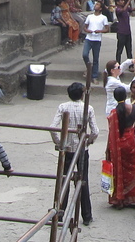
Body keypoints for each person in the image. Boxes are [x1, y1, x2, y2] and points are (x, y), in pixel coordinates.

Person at [50, 82, 99, 227]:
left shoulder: (63, 107)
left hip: (67, 149)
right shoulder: (88, 108)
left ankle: (59, 214)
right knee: (83, 181)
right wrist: (88, 141)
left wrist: (60, 143)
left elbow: (53, 128)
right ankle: (87, 216)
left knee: (64, 180)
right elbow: (95, 131)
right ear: (82, 94)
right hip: (81, 150)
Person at [106, 86, 135, 208]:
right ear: (125, 95)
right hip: (130, 141)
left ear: (115, 98)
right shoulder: (134, 108)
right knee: (133, 169)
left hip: (118, 144)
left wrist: (108, 149)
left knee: (120, 170)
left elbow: (111, 132)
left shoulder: (113, 113)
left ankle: (120, 198)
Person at [82, 1, 111, 83]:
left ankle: (94, 76)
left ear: (100, 8)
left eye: (97, 5)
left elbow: (107, 29)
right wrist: (88, 30)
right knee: (85, 54)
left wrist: (100, 31)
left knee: (96, 58)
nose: (95, 5)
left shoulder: (103, 18)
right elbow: (85, 27)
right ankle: (89, 67)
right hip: (89, 38)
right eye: (95, 4)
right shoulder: (90, 16)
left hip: (97, 40)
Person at [114, 0, 134, 64]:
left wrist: (134, 0)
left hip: (128, 31)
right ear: (117, 2)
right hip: (121, 32)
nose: (123, 2)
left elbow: (134, 9)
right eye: (121, 0)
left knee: (129, 49)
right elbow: (122, 10)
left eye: (123, 0)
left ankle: (130, 64)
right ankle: (117, 63)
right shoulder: (118, 9)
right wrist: (129, 0)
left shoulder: (126, 8)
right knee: (120, 50)